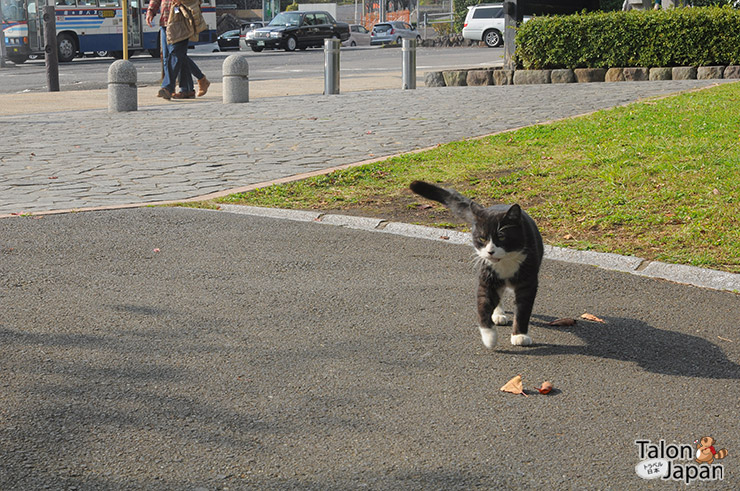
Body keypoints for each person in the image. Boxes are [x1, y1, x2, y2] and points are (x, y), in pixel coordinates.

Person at [146, 0, 210, 100]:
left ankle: (167, 87)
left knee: (175, 55)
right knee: (171, 57)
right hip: (165, 21)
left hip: (181, 21)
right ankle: (188, 88)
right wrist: (151, 10)